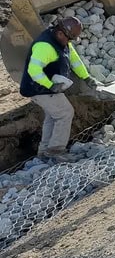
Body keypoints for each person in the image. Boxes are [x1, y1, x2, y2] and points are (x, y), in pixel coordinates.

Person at [19, 15, 106, 161]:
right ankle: (56, 151)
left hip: (48, 87)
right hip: (38, 88)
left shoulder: (62, 41)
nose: (70, 42)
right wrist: (51, 85)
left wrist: (87, 78)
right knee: (65, 113)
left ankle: (44, 151)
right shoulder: (44, 46)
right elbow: (34, 71)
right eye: (70, 38)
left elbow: (74, 61)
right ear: (60, 33)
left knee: (53, 116)